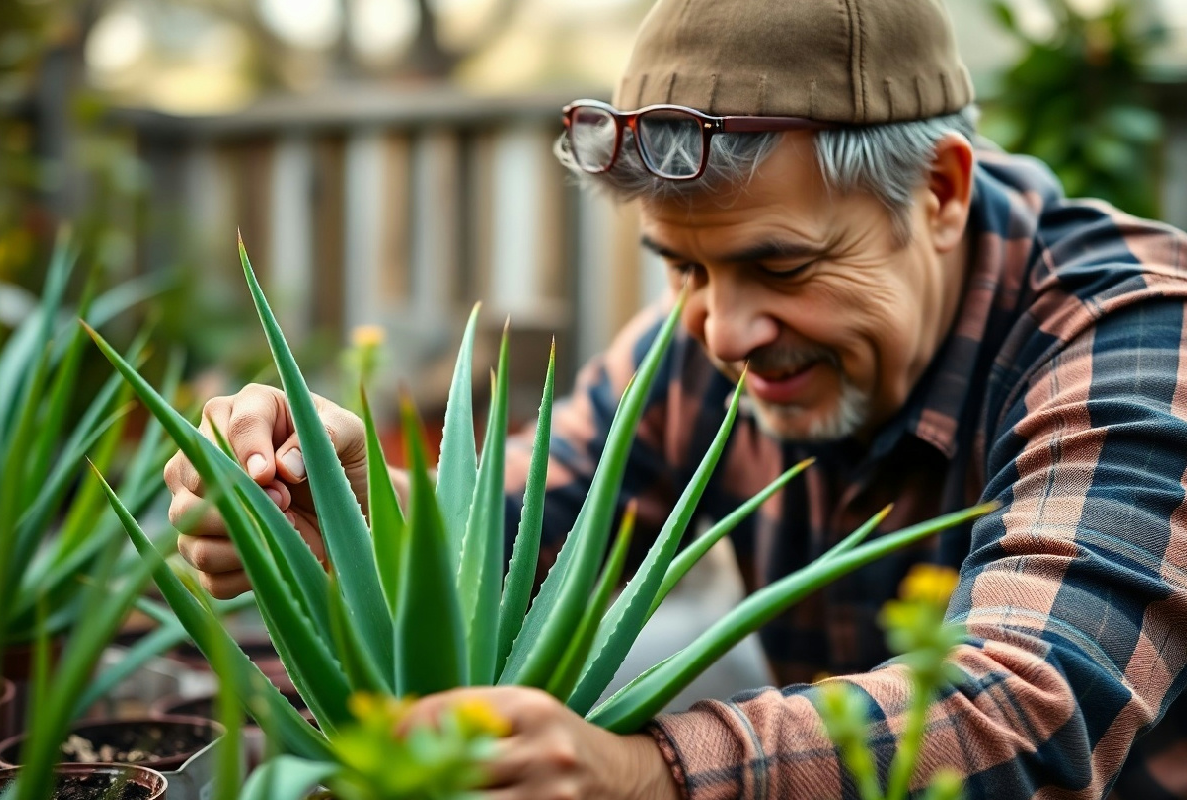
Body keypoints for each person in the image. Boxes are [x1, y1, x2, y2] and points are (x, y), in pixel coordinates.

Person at [164, 0, 1187, 796]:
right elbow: (526, 529)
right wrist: (344, 509)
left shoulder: (1135, 339)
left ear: (941, 193)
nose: (722, 333)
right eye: (682, 267)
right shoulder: (698, 342)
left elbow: (1033, 708)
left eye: (781, 266)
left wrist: (644, 775)